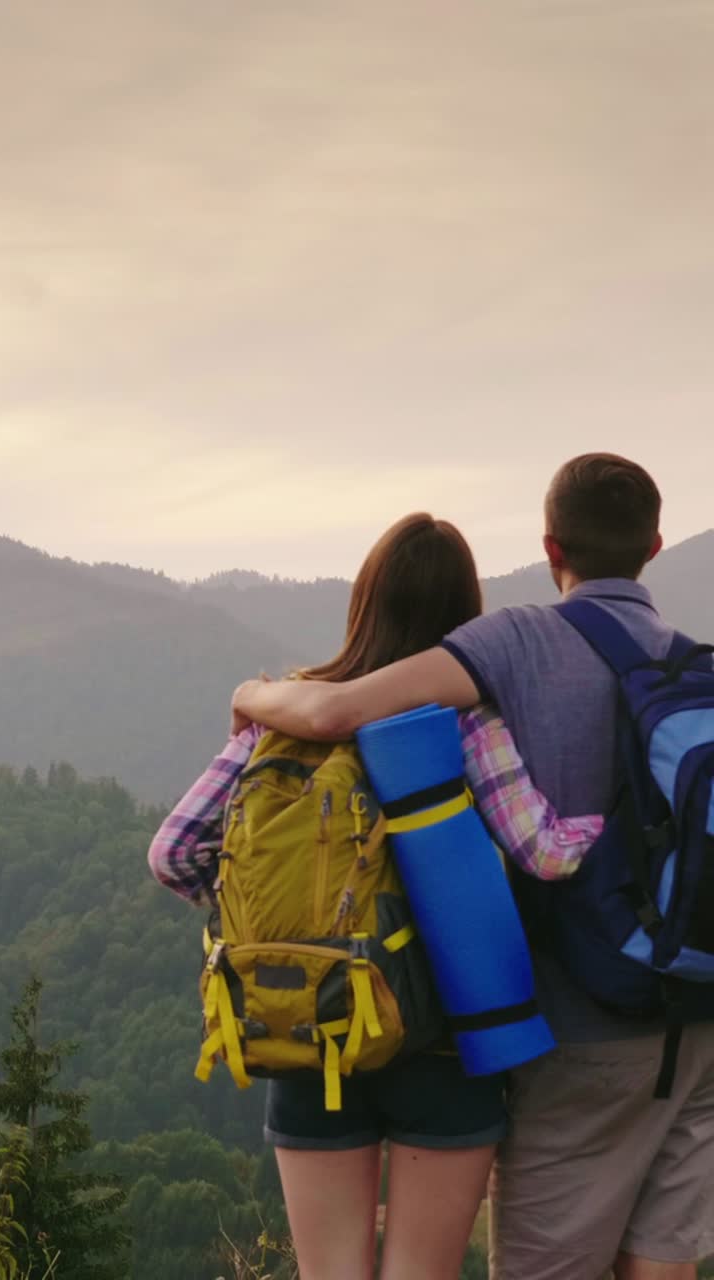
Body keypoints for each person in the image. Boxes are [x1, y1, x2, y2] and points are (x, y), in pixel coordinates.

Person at [232, 454, 714, 1280]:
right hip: (701, 1014)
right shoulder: (695, 665)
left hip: (586, 1031)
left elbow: (336, 709)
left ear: (549, 544)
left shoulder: (517, 642)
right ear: (657, 545)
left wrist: (252, 694)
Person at [150, 512, 602, 1280]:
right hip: (444, 1040)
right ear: (466, 617)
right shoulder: (467, 719)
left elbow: (175, 853)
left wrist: (272, 913)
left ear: (362, 601)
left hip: (311, 1025)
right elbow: (543, 852)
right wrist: (611, 815)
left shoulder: (283, 714)